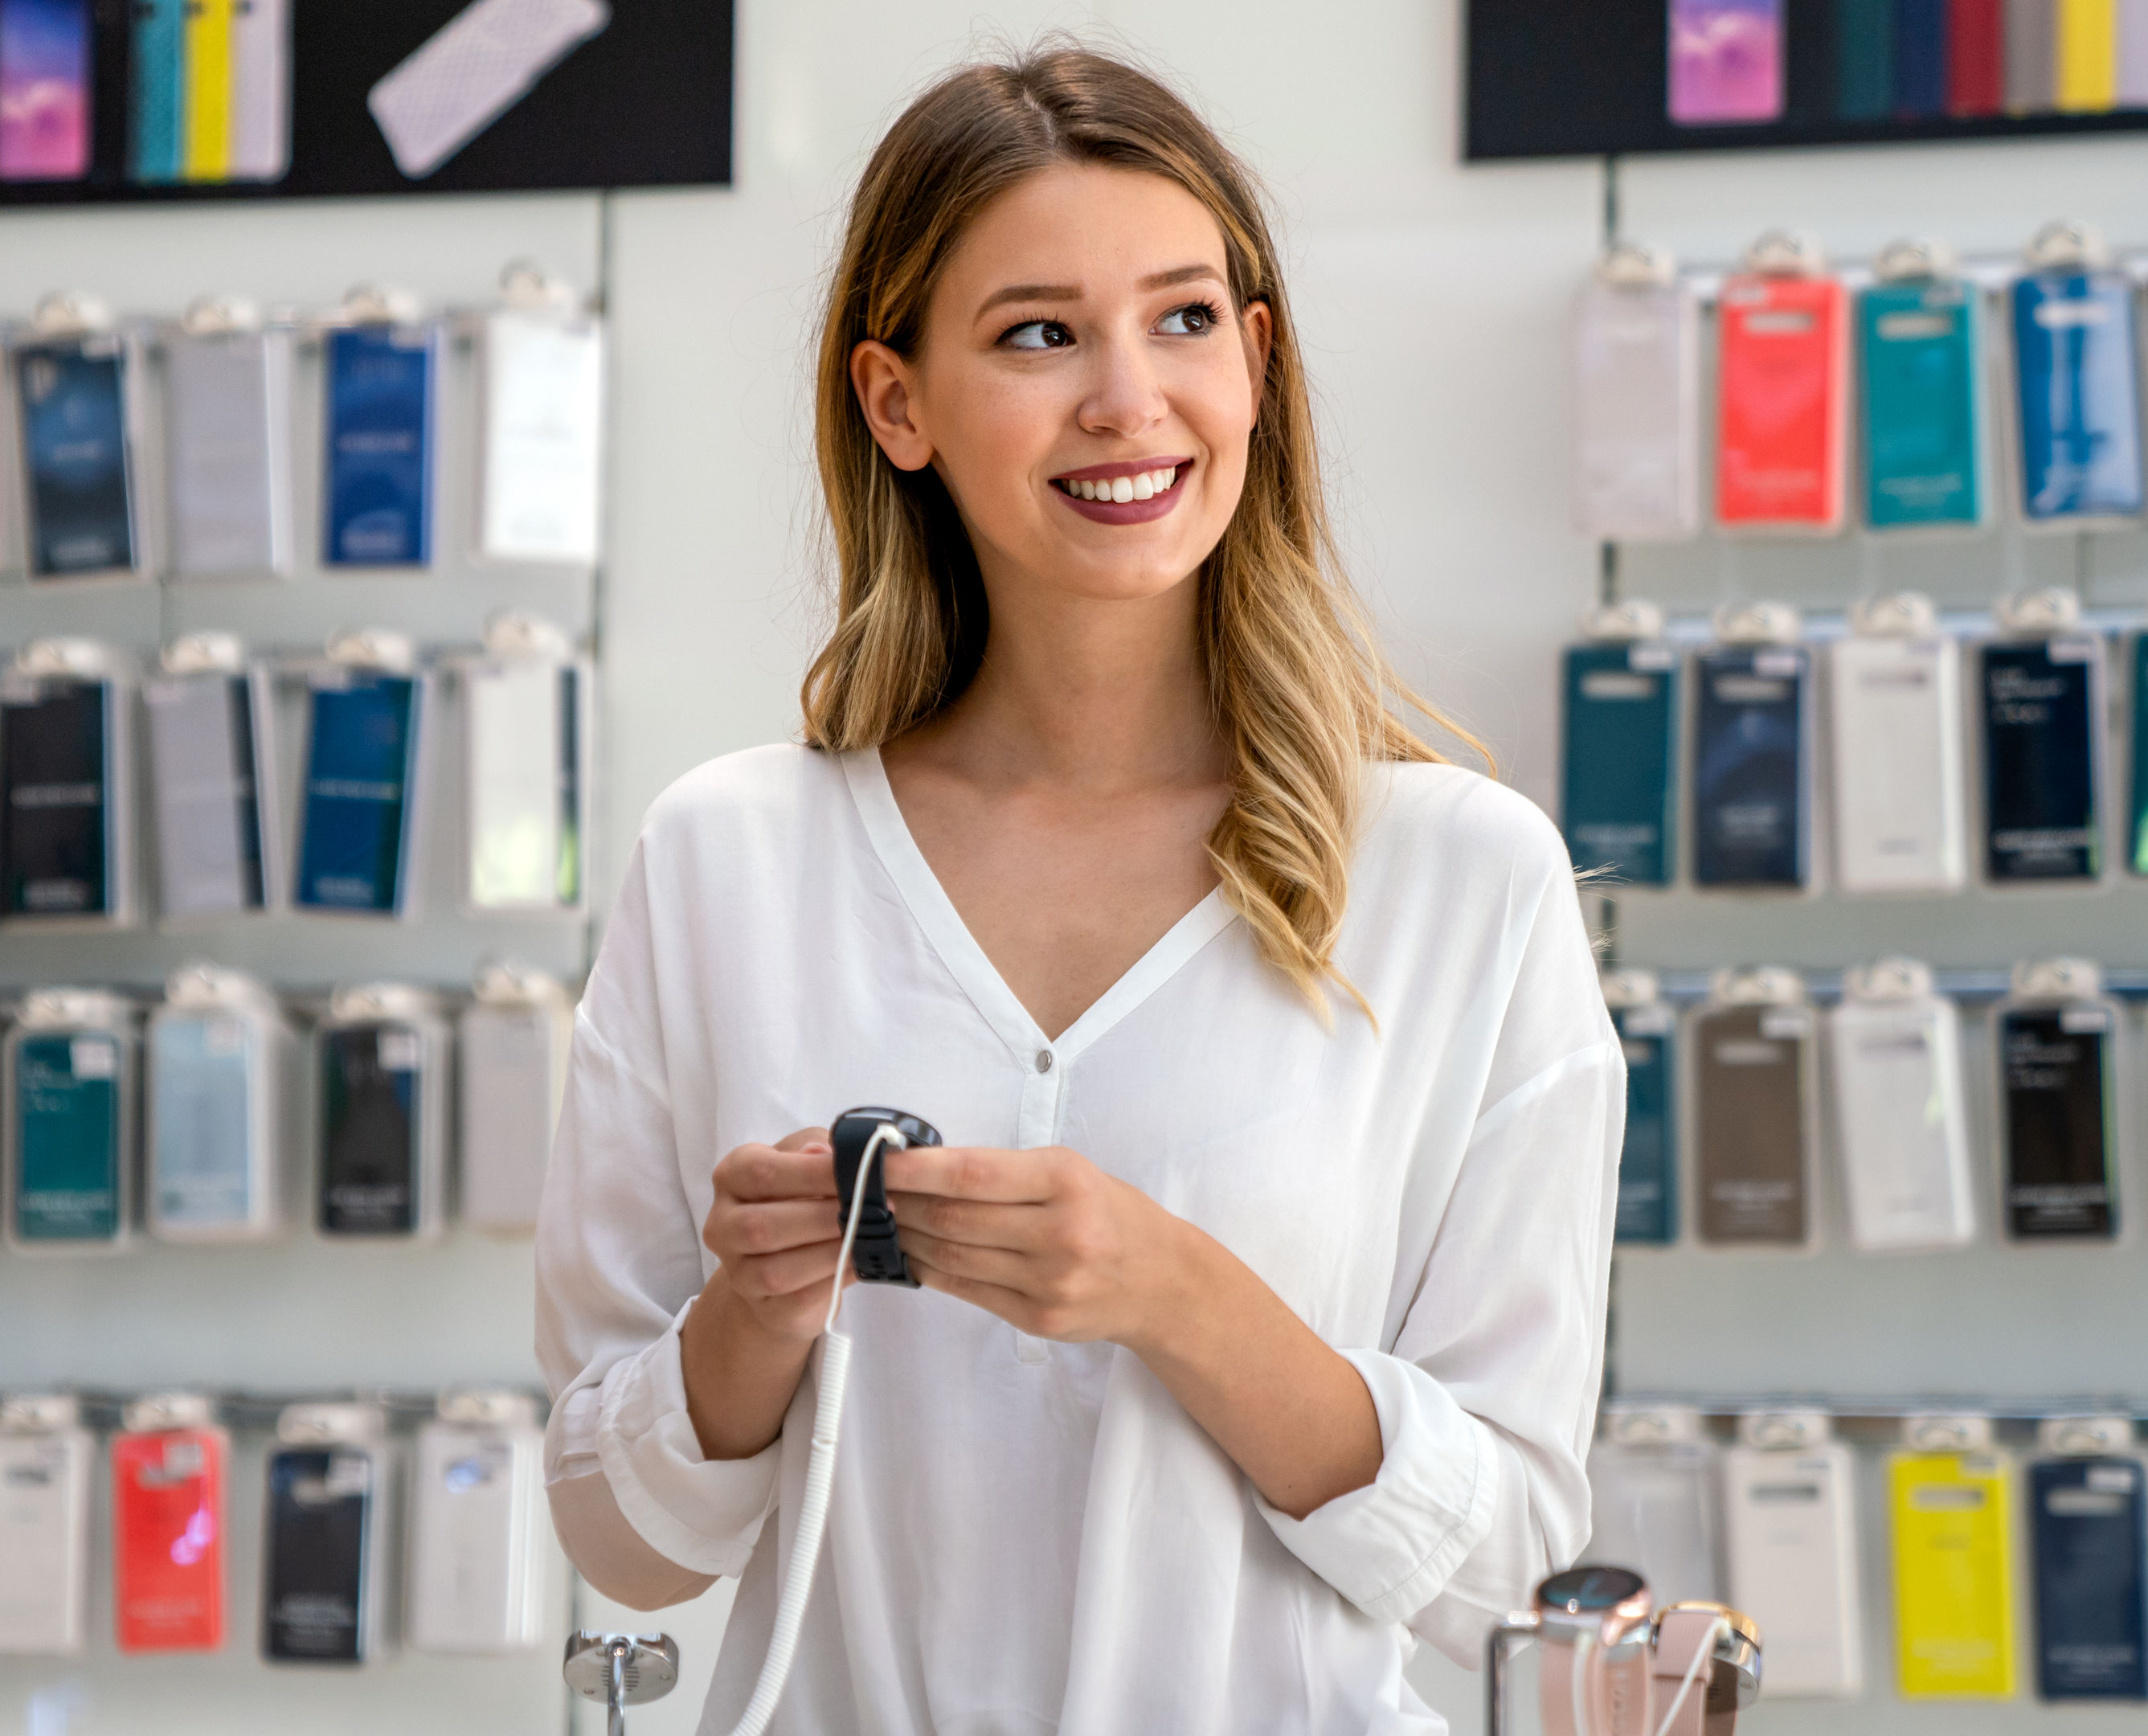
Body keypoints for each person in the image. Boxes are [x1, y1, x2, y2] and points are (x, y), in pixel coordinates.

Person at [536, 43, 1622, 1734]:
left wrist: (1179, 1297)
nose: (1128, 400)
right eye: (1037, 334)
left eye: (1184, 319)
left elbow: (1508, 1566)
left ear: (1256, 363)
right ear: (897, 402)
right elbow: (623, 1542)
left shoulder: (1466, 880)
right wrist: (750, 1321)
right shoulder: (726, 860)